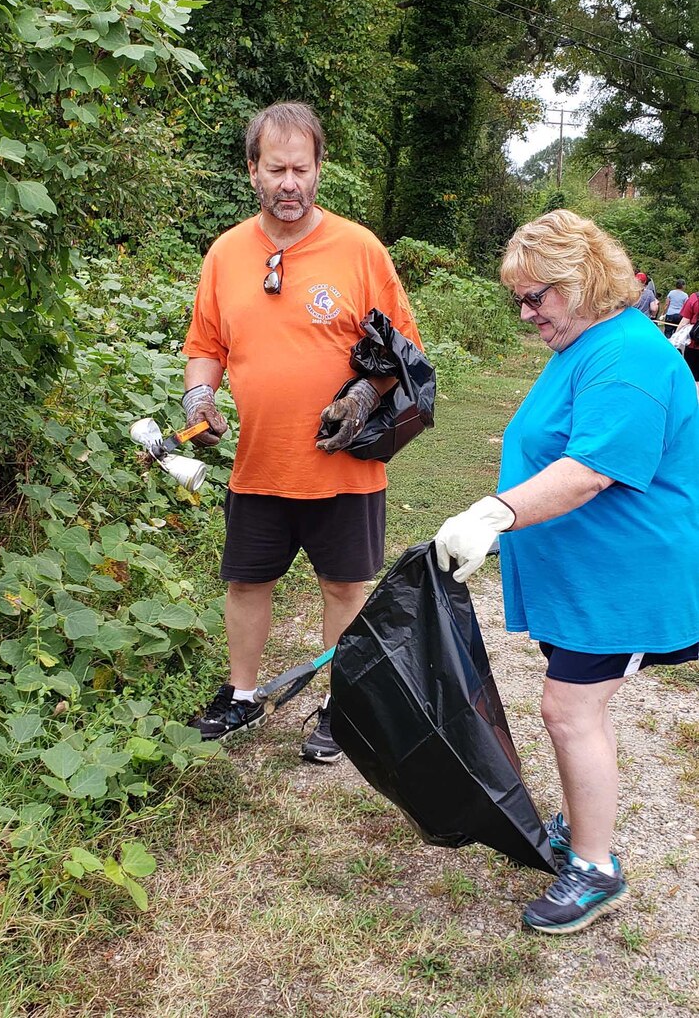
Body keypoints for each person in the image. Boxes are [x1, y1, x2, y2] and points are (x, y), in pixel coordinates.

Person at [433, 210, 699, 935]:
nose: (525, 315)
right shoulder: (586, 345)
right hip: (586, 577)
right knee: (583, 707)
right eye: (516, 300)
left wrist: (493, 512)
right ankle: (585, 826)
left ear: (583, 280)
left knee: (567, 709)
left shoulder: (631, 356)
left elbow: (587, 472)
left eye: (536, 297)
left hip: (625, 580)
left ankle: (594, 867)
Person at [182, 102, 421, 763]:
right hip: (258, 464)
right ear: (252, 171)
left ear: (318, 170)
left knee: (345, 588)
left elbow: (403, 349)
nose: (289, 182)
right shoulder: (227, 252)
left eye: (301, 168)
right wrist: (199, 393)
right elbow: (205, 343)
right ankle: (240, 693)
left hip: (341, 467)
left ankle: (341, 709)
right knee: (246, 584)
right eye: (275, 169)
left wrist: (361, 395)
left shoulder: (359, 250)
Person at [676, 289, 699, 400]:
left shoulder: (694, 298)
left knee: (691, 376)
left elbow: (685, 321)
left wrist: (675, 338)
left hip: (694, 345)